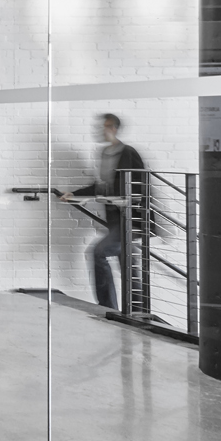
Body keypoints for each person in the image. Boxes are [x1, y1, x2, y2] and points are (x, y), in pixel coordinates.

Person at [59, 113, 146, 310]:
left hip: (129, 217)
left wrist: (121, 199)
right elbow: (102, 186)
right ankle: (138, 311)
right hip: (114, 218)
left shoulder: (128, 153)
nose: (100, 130)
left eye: (104, 127)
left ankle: (108, 307)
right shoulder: (103, 154)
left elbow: (141, 185)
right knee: (127, 264)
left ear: (114, 129)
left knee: (99, 253)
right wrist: (74, 194)